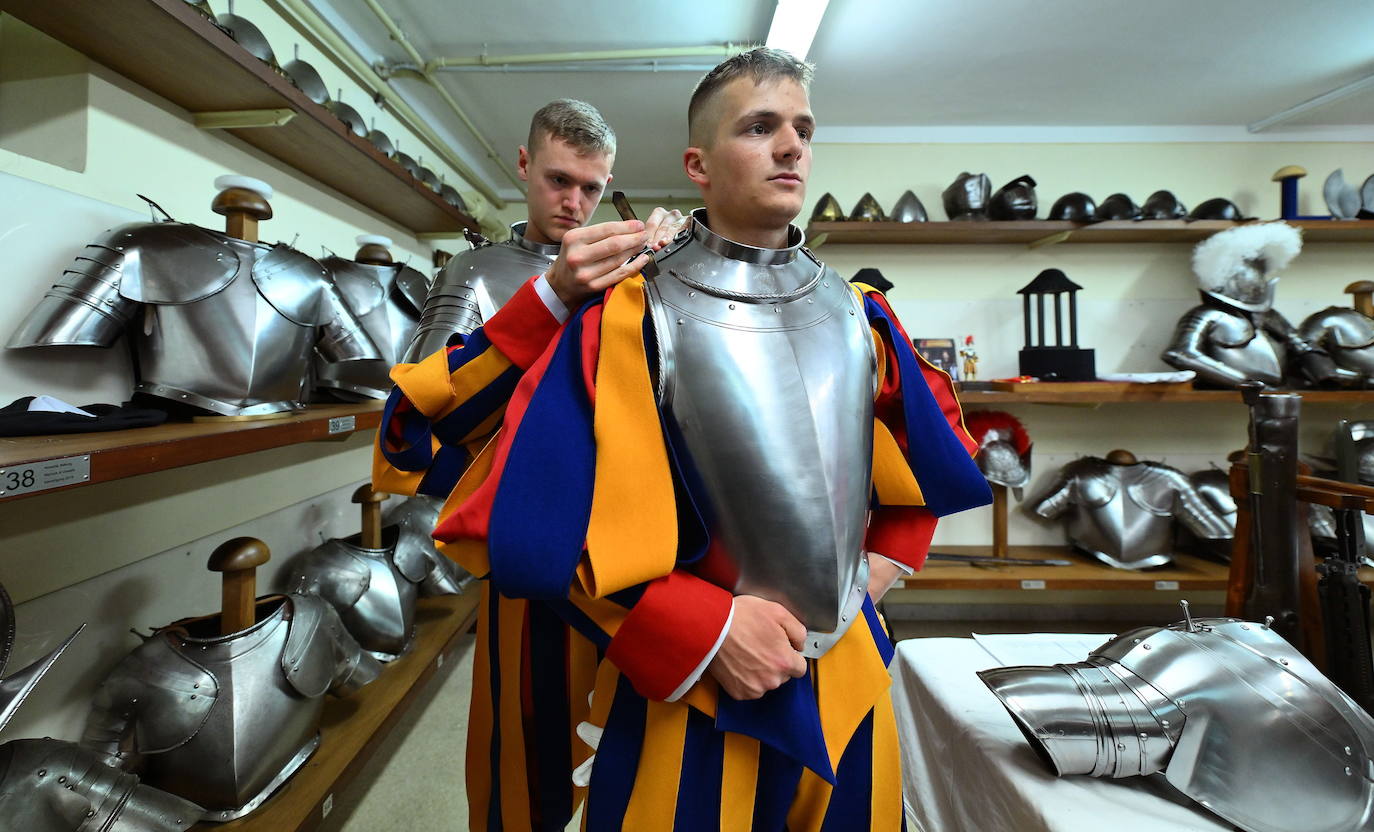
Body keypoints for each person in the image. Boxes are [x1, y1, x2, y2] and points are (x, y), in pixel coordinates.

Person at [393, 49, 989, 829]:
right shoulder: (625, 308)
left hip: (845, 665)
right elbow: (489, 476)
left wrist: (875, 573)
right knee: (531, 779)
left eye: (803, 129)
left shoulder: (859, 312)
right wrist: (691, 626)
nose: (791, 146)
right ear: (698, 164)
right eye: (760, 127)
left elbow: (923, 456)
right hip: (679, 651)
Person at [374, 99, 682, 831]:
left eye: (591, 187)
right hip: (526, 539)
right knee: (523, 765)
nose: (574, 203)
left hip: (639, 548)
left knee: (648, 755)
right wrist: (548, 301)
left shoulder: (635, 265)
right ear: (523, 164)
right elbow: (421, 406)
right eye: (557, 180)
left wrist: (676, 266)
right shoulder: (477, 271)